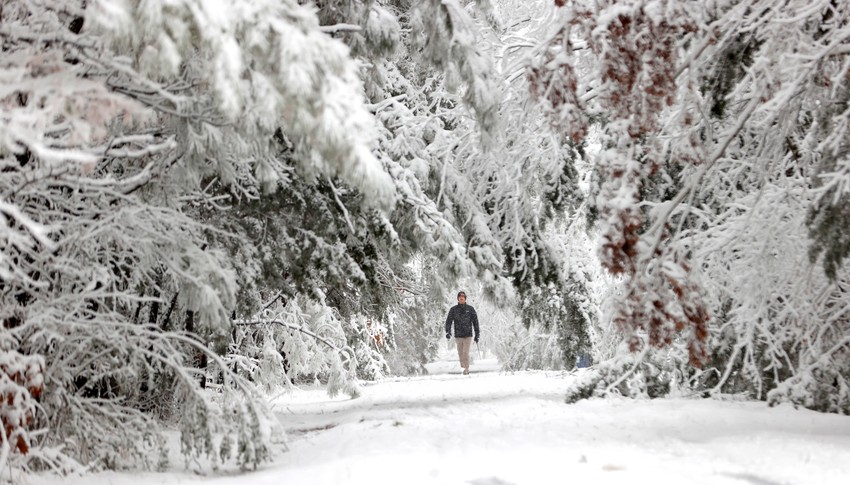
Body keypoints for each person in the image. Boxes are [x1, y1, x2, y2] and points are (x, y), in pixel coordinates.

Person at [445, 291, 480, 375]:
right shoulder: (453, 309)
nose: (461, 298)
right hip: (458, 335)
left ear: (465, 298)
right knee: (460, 353)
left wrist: (477, 334)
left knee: (465, 352)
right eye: (460, 296)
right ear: (458, 298)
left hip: (468, 335)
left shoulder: (470, 309)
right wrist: (448, 332)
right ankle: (463, 368)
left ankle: (466, 370)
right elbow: (448, 321)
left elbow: (475, 322)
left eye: (463, 296)